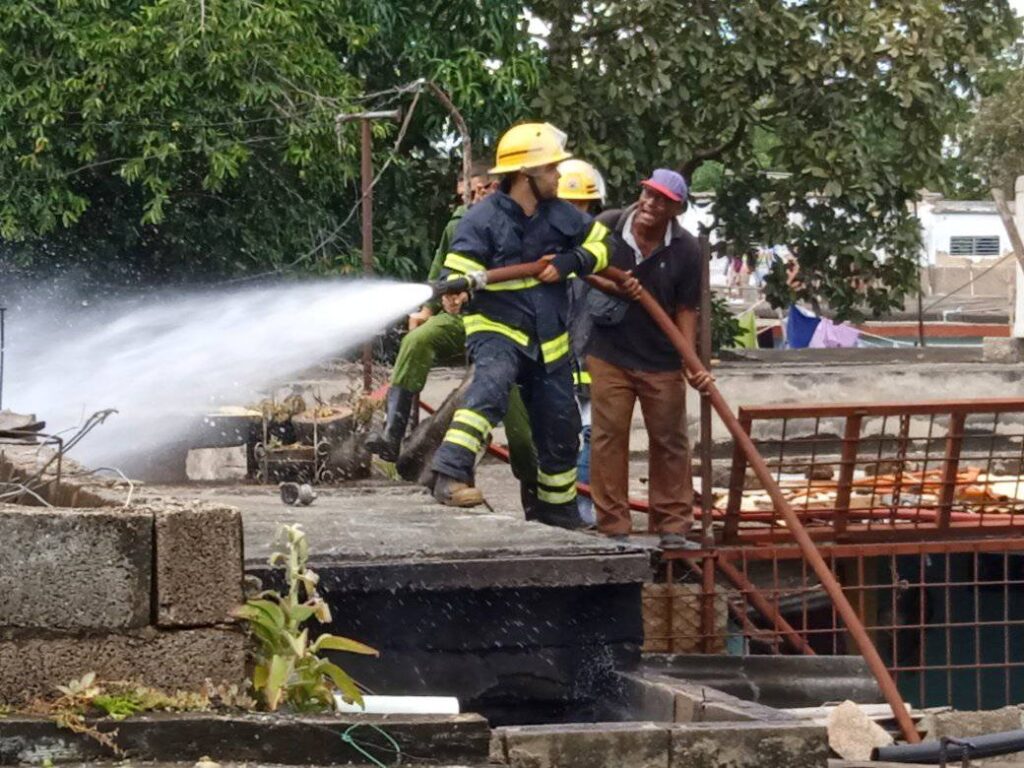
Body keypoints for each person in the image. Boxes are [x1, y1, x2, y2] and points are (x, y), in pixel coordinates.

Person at [429, 122, 611, 530]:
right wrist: (456, 291)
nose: (559, 176)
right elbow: (462, 265)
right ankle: (450, 473)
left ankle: (557, 512)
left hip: (549, 338)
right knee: (491, 386)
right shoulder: (483, 218)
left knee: (561, 427)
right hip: (498, 326)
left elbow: (605, 245)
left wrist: (571, 262)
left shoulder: (561, 215)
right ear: (525, 175)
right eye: (551, 170)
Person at [367, 166, 537, 500]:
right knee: (417, 340)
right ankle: (392, 432)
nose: (478, 197)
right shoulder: (460, 222)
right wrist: (430, 307)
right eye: (471, 192)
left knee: (518, 424)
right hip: (462, 320)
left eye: (485, 189)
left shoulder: (524, 223)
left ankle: (537, 497)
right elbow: (442, 267)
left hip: (504, 328)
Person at [587, 169, 712, 550]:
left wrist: (690, 361)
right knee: (609, 437)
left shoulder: (686, 250)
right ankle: (614, 527)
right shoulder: (608, 227)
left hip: (660, 357)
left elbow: (687, 309)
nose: (650, 204)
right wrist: (616, 285)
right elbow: (579, 265)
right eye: (647, 195)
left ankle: (673, 525)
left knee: (670, 438)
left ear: (676, 208)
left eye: (661, 200)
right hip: (610, 352)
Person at [556, 158, 606, 526]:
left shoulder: (601, 249)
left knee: (592, 435)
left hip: (595, 362)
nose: (575, 213)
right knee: (558, 438)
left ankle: (583, 509)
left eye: (582, 206)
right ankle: (558, 510)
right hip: (556, 363)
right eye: (568, 205)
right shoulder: (544, 248)